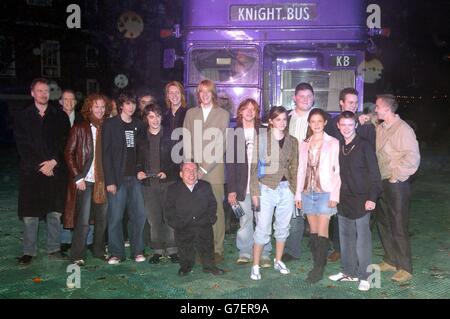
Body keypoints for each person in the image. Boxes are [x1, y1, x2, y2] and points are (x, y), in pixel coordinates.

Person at [14, 78, 71, 265]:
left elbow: (65, 142)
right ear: (32, 93)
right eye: (39, 91)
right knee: (31, 216)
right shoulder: (23, 116)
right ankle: (28, 252)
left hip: (55, 172)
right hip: (32, 173)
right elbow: (22, 146)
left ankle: (53, 248)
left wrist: (54, 161)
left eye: (46, 91)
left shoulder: (59, 116)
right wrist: (41, 165)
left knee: (54, 213)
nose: (44, 94)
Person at [328, 111, 382, 291]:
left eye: (350, 125)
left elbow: (375, 174)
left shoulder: (365, 145)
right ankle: (348, 272)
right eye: (343, 125)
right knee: (346, 238)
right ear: (338, 126)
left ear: (356, 126)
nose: (346, 128)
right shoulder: (339, 145)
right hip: (344, 199)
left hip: (362, 199)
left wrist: (372, 198)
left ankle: (365, 276)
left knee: (363, 240)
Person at [324, 88, 376, 263]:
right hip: (339, 180)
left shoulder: (364, 125)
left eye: (356, 102)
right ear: (341, 103)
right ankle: (340, 249)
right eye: (349, 102)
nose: (353, 105)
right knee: (340, 220)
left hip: (359, 183)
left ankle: (362, 265)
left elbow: (369, 156)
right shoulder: (332, 124)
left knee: (361, 225)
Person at [183, 79, 230, 264]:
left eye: (208, 91)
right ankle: (200, 248)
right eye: (201, 91)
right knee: (196, 212)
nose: (204, 94)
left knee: (216, 211)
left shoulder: (223, 114)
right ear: (198, 94)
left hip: (214, 171)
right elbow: (186, 141)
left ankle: (217, 250)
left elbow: (221, 145)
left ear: (213, 93)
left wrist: (203, 168)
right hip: (193, 171)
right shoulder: (190, 113)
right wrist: (190, 167)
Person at [374, 94, 420, 282]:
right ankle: (391, 259)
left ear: (387, 109)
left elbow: (413, 157)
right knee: (383, 223)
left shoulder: (403, 129)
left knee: (399, 225)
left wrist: (396, 176)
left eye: (377, 106)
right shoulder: (382, 127)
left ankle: (405, 267)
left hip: (397, 184)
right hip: (382, 182)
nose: (375, 109)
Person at [249, 106, 299, 280]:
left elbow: (295, 167)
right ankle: (255, 265)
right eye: (278, 119)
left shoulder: (293, 141)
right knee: (262, 228)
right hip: (266, 188)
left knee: (283, 227)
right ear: (270, 121)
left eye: (285, 119)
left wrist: (295, 191)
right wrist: (254, 192)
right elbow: (254, 168)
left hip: (286, 190)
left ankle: (278, 260)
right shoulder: (261, 139)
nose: (282, 122)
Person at [295, 108, 341, 283]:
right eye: (312, 121)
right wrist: (298, 195)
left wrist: (334, 195)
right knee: (313, 232)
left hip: (325, 192)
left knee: (322, 231)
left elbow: (338, 171)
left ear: (325, 123)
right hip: (308, 192)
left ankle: (318, 269)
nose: (316, 125)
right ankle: (317, 262)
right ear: (309, 123)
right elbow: (300, 170)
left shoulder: (333, 142)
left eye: (319, 121)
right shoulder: (304, 143)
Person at [64, 94, 110, 266]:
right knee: (82, 221)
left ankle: (98, 250)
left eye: (103, 107)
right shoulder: (79, 128)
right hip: (85, 181)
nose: (100, 110)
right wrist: (78, 177)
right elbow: (68, 153)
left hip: (102, 181)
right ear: (89, 108)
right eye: (96, 106)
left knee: (102, 220)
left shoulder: (107, 128)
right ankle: (77, 255)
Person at [226, 99, 272, 267]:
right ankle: (245, 251)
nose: (250, 112)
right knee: (244, 219)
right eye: (246, 109)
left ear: (257, 113)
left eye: (253, 109)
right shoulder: (233, 133)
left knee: (263, 220)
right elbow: (230, 165)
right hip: (241, 186)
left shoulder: (265, 132)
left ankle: (265, 252)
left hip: (261, 186)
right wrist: (231, 190)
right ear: (240, 112)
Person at [102, 93, 147, 264]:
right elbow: (105, 155)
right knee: (115, 217)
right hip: (118, 178)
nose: (131, 107)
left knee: (139, 215)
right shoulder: (110, 124)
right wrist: (110, 181)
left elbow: (142, 152)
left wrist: (141, 170)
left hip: (135, 179)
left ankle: (138, 250)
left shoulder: (139, 125)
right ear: (121, 106)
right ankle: (117, 253)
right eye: (127, 104)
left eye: (133, 103)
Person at [165, 161, 224, 276]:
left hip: (203, 224)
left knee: (207, 247)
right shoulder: (173, 189)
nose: (191, 173)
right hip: (183, 226)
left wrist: (210, 219)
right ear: (181, 174)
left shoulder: (205, 186)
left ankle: (209, 266)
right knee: (184, 249)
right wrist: (177, 224)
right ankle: (185, 267)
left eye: (194, 170)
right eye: (187, 170)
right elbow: (169, 209)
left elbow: (212, 204)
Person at [137, 103, 179, 264]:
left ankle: (172, 249)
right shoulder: (141, 139)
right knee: (154, 220)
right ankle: (157, 250)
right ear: (146, 119)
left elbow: (177, 161)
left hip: (168, 183)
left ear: (162, 117)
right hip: (149, 185)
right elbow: (137, 161)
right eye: (151, 116)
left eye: (158, 116)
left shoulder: (171, 136)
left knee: (169, 218)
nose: (155, 120)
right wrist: (139, 171)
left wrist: (167, 172)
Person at [283, 82, 315, 263]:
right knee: (293, 212)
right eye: (301, 96)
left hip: (312, 171)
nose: (305, 99)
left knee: (315, 212)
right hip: (290, 172)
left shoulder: (319, 117)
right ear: (294, 98)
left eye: (309, 96)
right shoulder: (286, 117)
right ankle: (293, 250)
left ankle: (319, 248)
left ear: (313, 98)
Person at [59, 89, 94, 253]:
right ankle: (65, 239)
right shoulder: (54, 117)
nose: (68, 102)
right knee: (66, 205)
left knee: (84, 205)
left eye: (71, 99)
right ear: (60, 101)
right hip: (58, 167)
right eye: (65, 99)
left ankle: (87, 240)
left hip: (79, 166)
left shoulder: (82, 119)